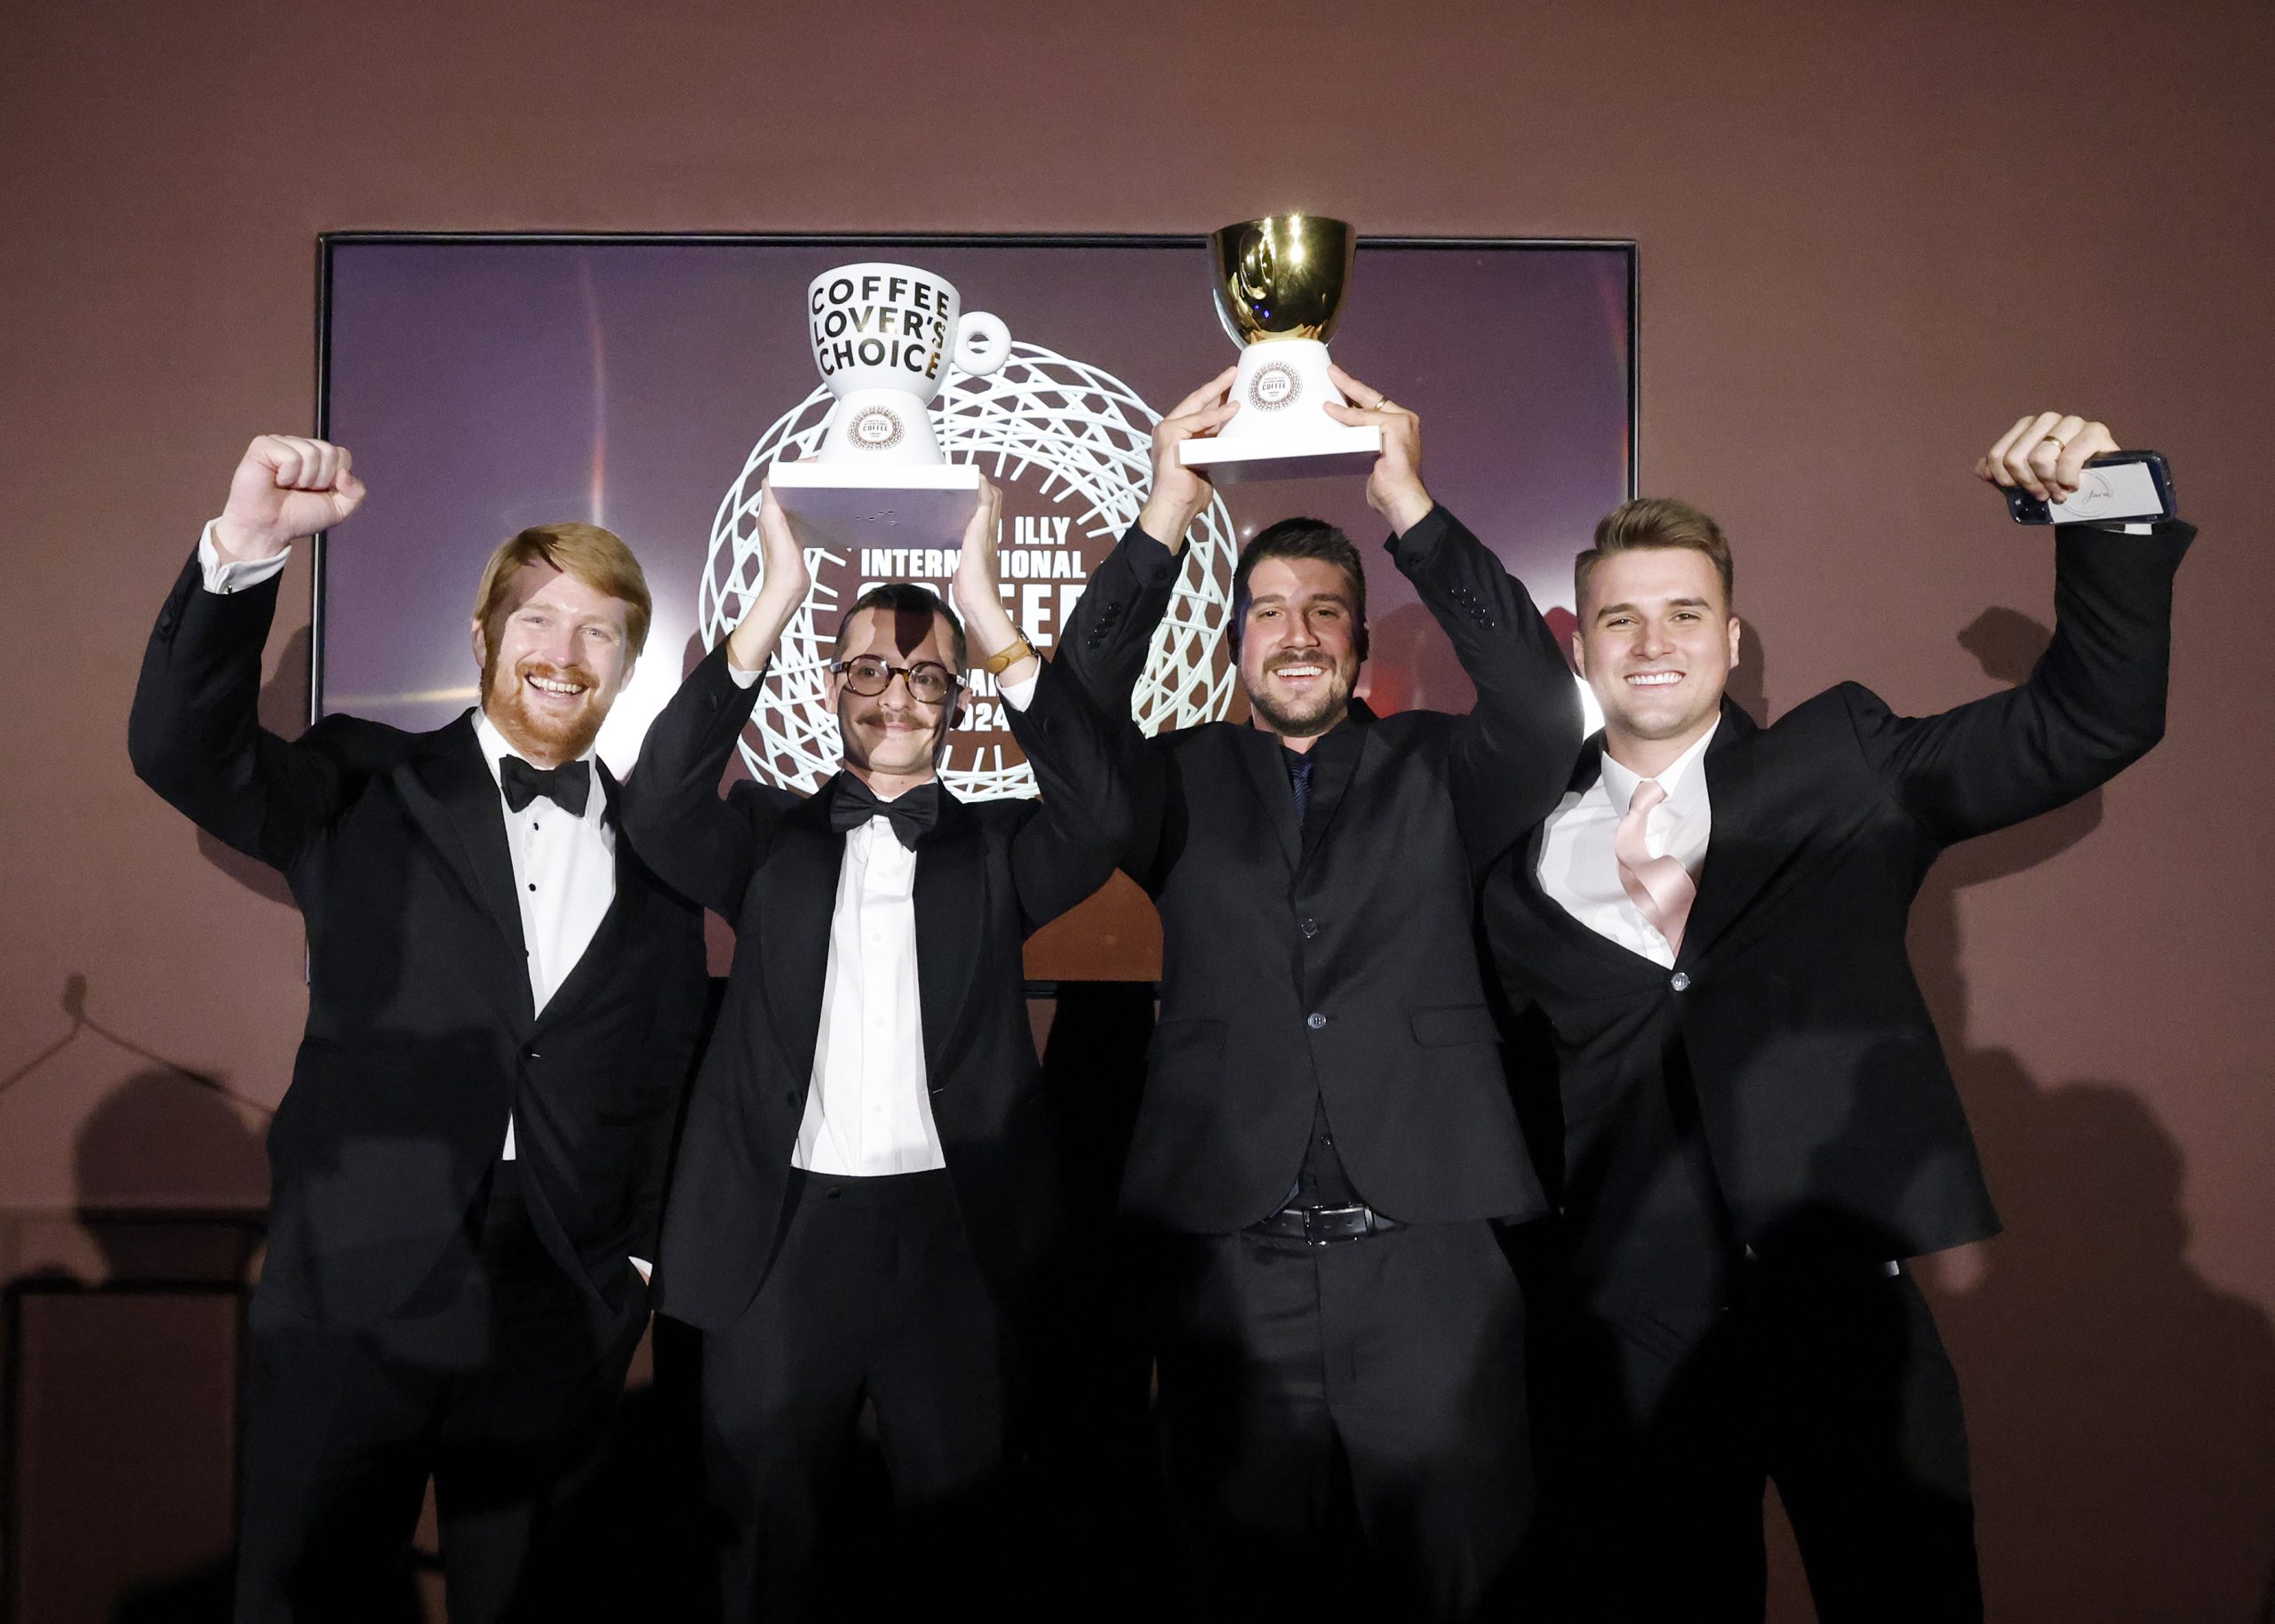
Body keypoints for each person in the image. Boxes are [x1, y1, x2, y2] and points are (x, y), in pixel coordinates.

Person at [1476, 412, 2193, 1620]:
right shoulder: (1514, 872)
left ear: (1732, 636)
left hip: (1843, 1310)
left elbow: (2088, 720)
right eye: (1621, 619)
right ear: (1583, 651)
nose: (1654, 643)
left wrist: (2101, 501)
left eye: (1686, 614)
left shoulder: (1842, 762)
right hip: (1631, 1339)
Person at [128, 434, 708, 1622]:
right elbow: (183, 750)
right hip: (355, 1282)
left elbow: (664, 1074)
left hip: (559, 1307)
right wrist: (244, 551)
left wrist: (634, 1265)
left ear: (628, 664)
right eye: (539, 619)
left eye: (601, 629)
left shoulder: (667, 854)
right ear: (486, 639)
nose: (565, 650)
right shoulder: (363, 779)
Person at [1053, 367, 1582, 1619]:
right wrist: (1163, 513)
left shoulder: (1444, 769)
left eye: (1325, 612)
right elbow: (1069, 717)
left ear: (1356, 639)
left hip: (1432, 1265)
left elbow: (1540, 706)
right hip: (1234, 1266)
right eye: (1270, 610)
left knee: (1469, 1584)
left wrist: (1408, 499)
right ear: (1233, 640)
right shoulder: (1175, 782)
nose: (1296, 633)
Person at [619, 478, 1127, 1620]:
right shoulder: (762, 837)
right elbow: (653, 804)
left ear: (955, 697)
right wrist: (774, 601)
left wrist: (991, 618)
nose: (895, 691)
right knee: (761, 1543)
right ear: (833, 682)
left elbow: (1102, 817)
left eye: (923, 672)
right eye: (868, 668)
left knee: (963, 1546)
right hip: (779, 1229)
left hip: (956, 1233)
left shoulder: (1000, 848)